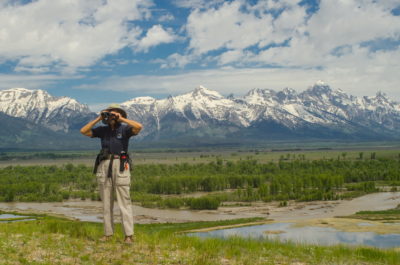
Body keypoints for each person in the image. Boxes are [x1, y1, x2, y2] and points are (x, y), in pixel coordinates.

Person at [80, 104, 142, 244]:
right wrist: (99, 118)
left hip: (120, 164)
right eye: (109, 113)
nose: (111, 116)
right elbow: (83, 131)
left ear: (120, 115)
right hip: (104, 164)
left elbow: (139, 127)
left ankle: (128, 236)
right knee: (106, 203)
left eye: (114, 113)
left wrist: (122, 119)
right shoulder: (103, 130)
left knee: (124, 202)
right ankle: (108, 234)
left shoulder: (125, 129)